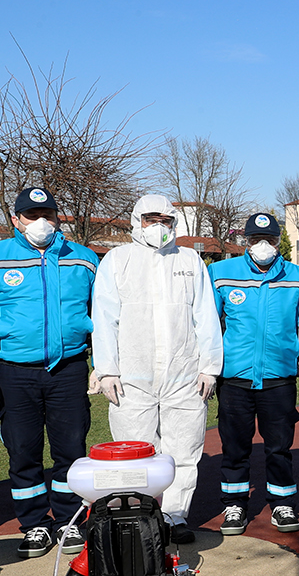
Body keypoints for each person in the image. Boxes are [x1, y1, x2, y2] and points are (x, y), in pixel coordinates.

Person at [0, 187, 98, 558]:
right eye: (32, 215)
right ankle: (35, 524)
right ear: (16, 220)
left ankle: (70, 522)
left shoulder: (83, 259)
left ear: (57, 217)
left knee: (71, 449)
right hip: (14, 372)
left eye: (47, 214)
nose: (40, 222)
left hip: (68, 369)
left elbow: (103, 316)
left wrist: (101, 365)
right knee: (23, 450)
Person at [92, 195, 223, 541]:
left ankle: (175, 516)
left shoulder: (190, 259)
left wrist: (209, 367)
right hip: (132, 377)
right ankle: (140, 517)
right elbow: (104, 318)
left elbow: (205, 317)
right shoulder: (118, 260)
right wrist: (107, 369)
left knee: (184, 450)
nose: (160, 226)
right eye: (152, 218)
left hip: (184, 374)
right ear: (137, 220)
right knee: (135, 451)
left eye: (167, 219)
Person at [209, 212, 299, 536]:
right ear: (246, 242)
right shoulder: (220, 273)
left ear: (279, 241)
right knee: (234, 446)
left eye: (269, 239)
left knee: (279, 446)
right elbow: (208, 326)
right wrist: (208, 368)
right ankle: (234, 504)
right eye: (255, 240)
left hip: (278, 376)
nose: (262, 245)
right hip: (235, 377)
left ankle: (282, 503)